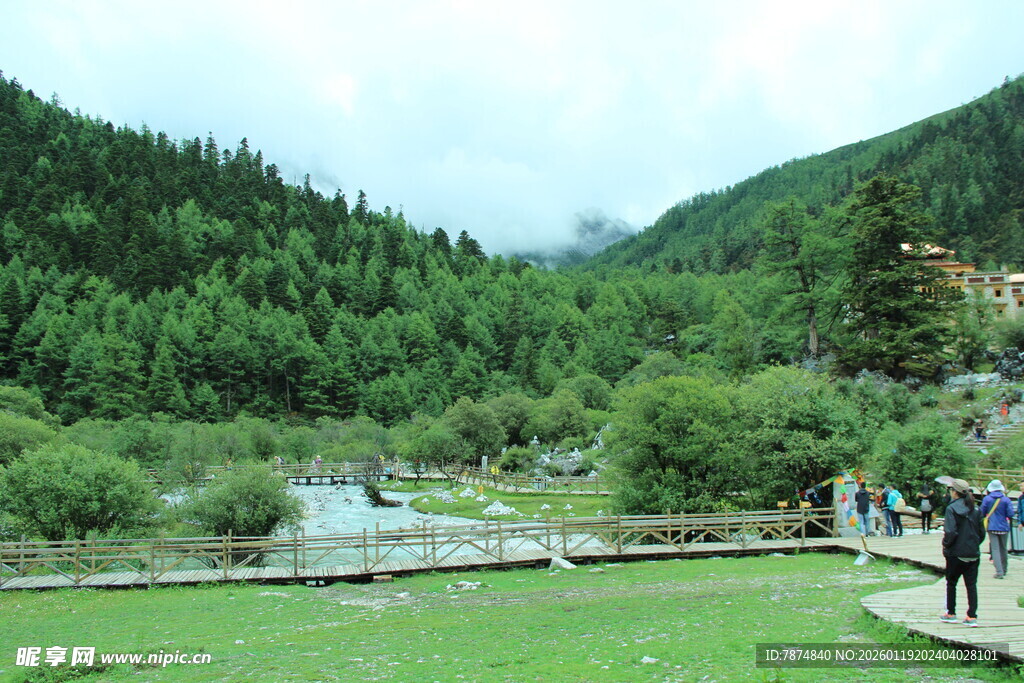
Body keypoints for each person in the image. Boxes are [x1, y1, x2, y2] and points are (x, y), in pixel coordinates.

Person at [941, 479, 985, 627]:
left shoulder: (951, 508)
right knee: (971, 585)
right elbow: (982, 533)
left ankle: (951, 613)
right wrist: (974, 544)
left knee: (951, 583)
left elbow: (950, 531)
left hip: (955, 553)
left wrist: (946, 545)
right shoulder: (976, 508)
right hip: (973, 553)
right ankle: (972, 616)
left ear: (954, 492)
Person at [979, 480, 1013, 579]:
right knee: (1003, 548)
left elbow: (981, 512)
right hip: (1004, 527)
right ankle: (1005, 569)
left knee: (995, 549)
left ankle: (999, 572)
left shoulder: (987, 499)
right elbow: (1010, 514)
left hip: (992, 527)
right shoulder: (1006, 500)